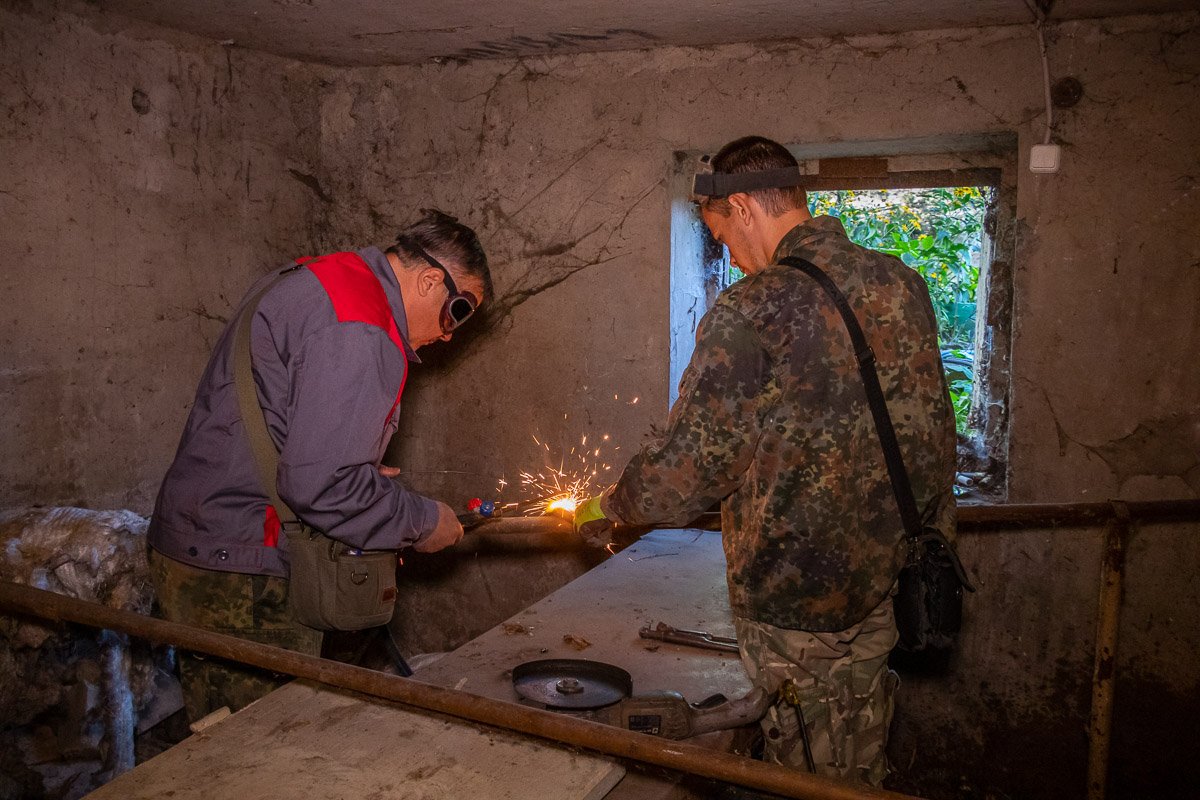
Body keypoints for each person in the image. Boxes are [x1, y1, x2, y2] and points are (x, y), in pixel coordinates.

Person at [574, 136, 956, 784]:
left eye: (721, 234)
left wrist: (611, 505)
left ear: (744, 207)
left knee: (808, 773)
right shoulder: (901, 283)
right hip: (884, 583)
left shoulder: (754, 307)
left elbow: (689, 469)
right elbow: (932, 436)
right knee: (856, 749)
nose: (728, 252)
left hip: (798, 602)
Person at [148, 208, 492, 722]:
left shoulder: (316, 281)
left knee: (216, 732)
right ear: (428, 279)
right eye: (457, 311)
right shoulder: (363, 327)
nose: (448, 335)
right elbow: (323, 484)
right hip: (242, 567)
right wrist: (423, 521)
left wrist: (354, 473)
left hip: (202, 540)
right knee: (258, 753)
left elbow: (284, 428)